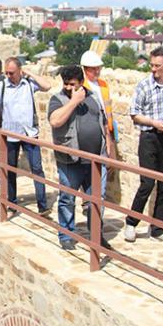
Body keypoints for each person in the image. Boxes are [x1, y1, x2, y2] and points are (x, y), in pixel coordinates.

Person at [124, 47, 163, 244]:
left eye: (157, 66)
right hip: (150, 138)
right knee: (147, 183)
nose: (153, 69)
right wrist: (153, 123)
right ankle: (131, 222)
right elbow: (134, 113)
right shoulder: (144, 86)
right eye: (151, 65)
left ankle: (159, 228)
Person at [48, 65, 111, 251]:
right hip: (70, 160)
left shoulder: (93, 98)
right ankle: (66, 235)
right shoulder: (57, 99)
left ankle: (96, 235)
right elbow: (55, 121)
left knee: (97, 200)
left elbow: (103, 123)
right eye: (66, 84)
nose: (68, 87)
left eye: (72, 84)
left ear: (81, 83)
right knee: (67, 198)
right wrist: (74, 101)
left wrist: (108, 149)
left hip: (95, 161)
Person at [0, 56, 53, 217]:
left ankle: (42, 205)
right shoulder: (1, 87)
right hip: (9, 135)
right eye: (7, 73)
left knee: (37, 169)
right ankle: (12, 202)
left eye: (12, 73)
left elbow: (47, 86)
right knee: (10, 169)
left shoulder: (29, 84)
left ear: (20, 71)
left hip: (29, 133)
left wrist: (29, 73)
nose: (8, 76)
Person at [80, 49, 116, 196]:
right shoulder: (81, 86)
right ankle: (88, 200)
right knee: (87, 170)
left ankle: (95, 206)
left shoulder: (103, 85)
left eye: (98, 68)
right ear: (85, 69)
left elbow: (108, 111)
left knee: (102, 172)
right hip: (88, 135)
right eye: (93, 69)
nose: (97, 71)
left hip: (105, 132)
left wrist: (112, 137)